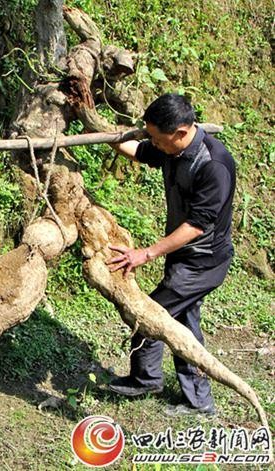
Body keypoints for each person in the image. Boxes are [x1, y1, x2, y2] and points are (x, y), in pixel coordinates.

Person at [107, 93, 236, 416]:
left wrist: (144, 254)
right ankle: (192, 397)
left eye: (158, 138)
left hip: (203, 262)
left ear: (180, 132)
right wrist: (106, 134)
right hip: (186, 259)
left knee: (149, 314)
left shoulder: (213, 164)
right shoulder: (171, 149)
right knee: (183, 323)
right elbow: (137, 150)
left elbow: (196, 226)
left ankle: (147, 380)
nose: (155, 143)